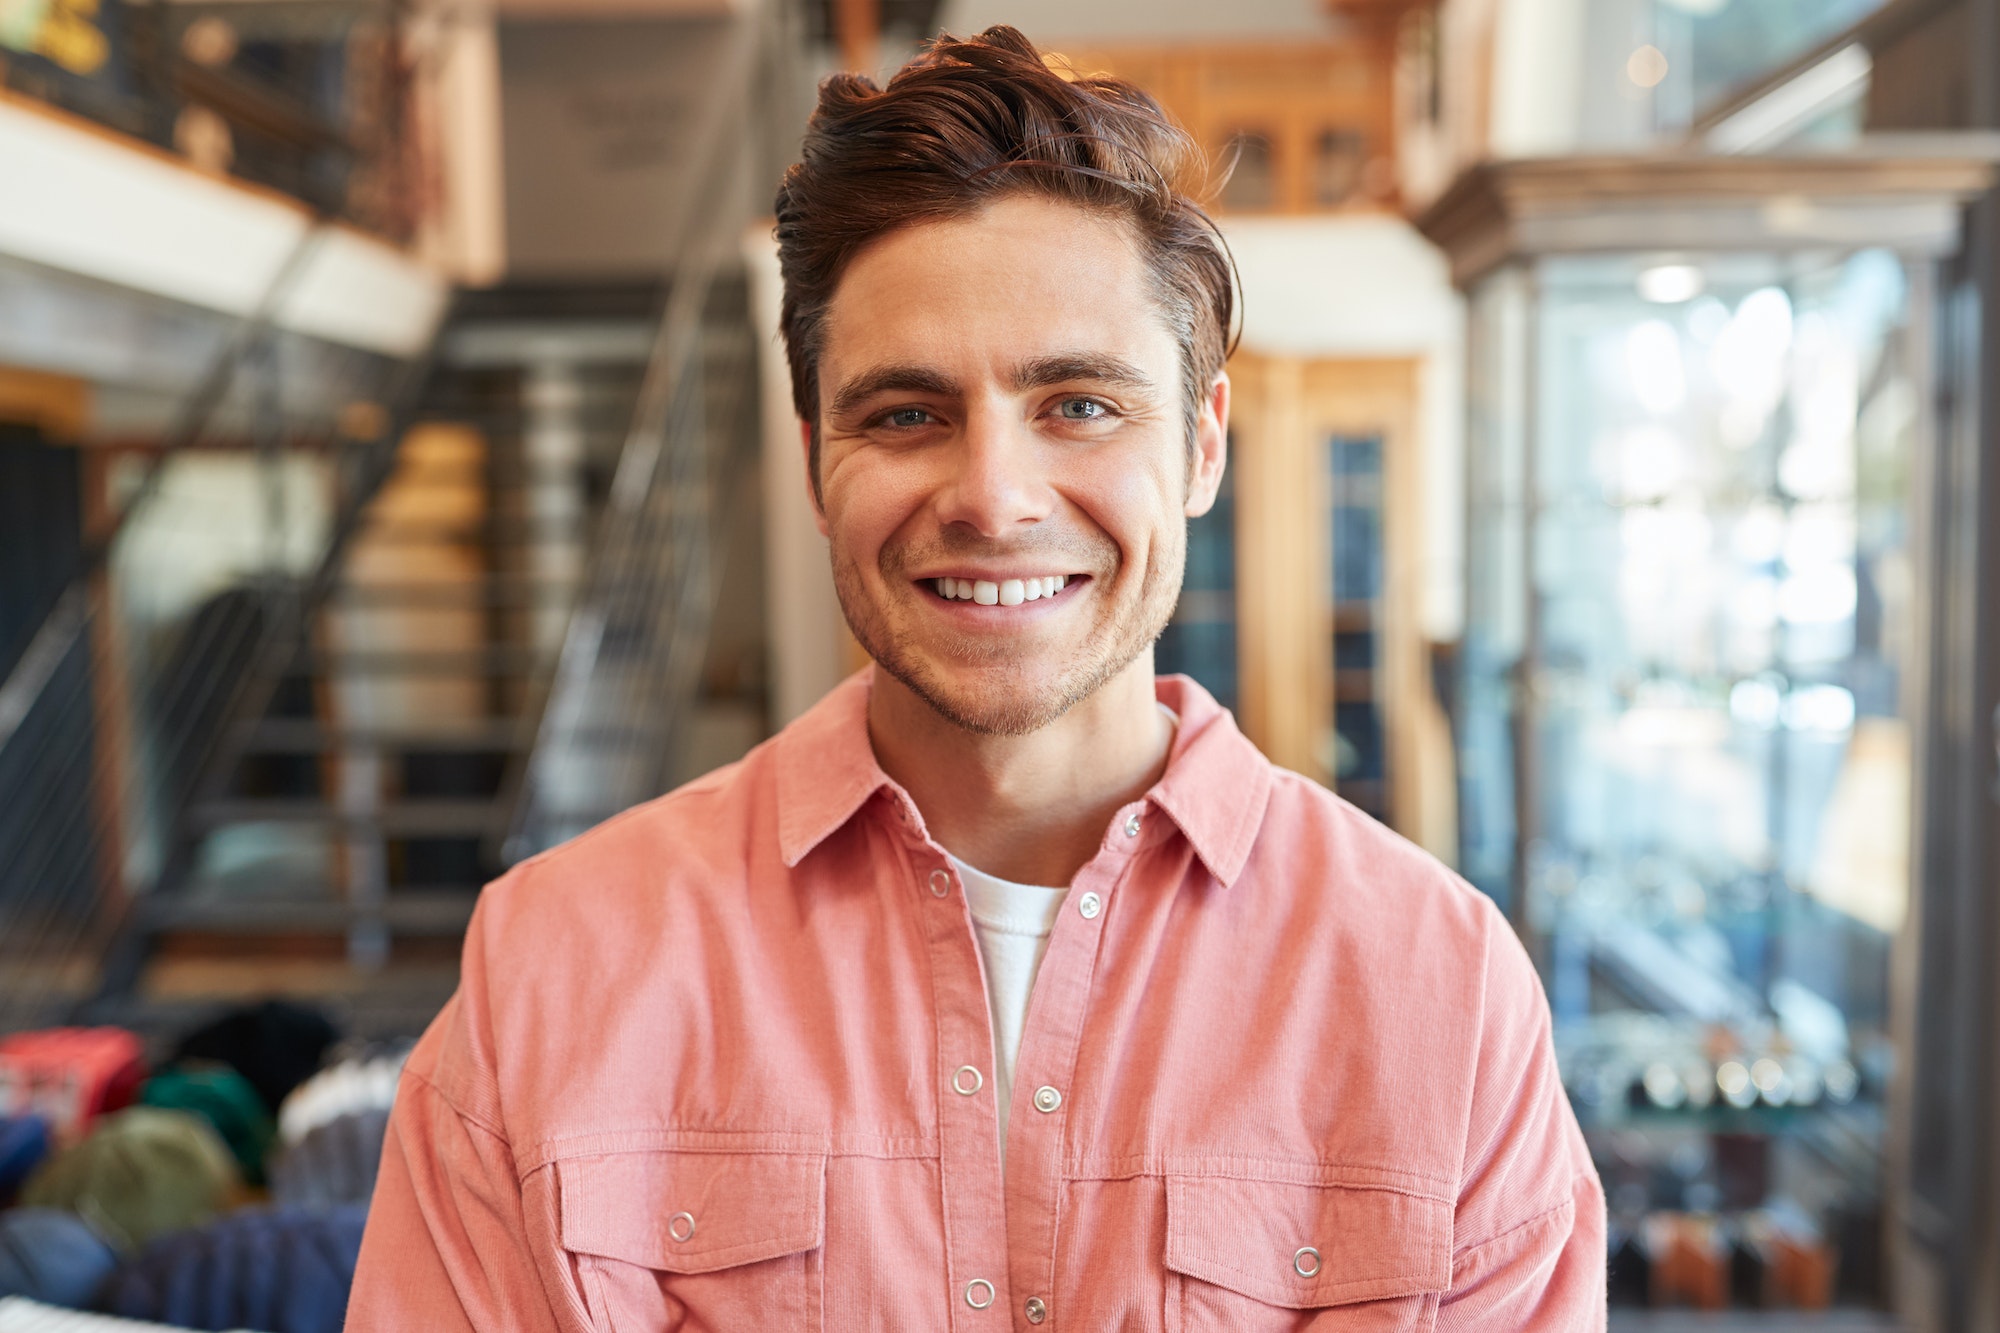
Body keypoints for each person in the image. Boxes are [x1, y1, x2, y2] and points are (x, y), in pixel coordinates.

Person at [345, 26, 1606, 1329]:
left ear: (1203, 445)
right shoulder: (554, 967)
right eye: (906, 414)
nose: (993, 498)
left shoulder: (1441, 995)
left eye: (1079, 404)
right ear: (813, 459)